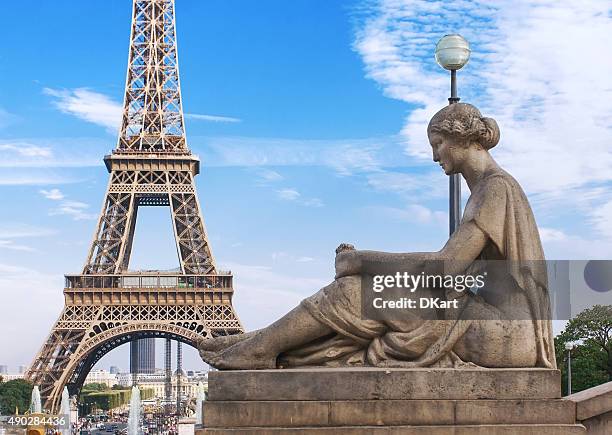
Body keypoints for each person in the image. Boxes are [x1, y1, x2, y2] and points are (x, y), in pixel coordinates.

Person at [197, 103, 556, 370]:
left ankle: (262, 348)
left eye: (438, 143)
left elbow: (446, 267)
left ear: (460, 138)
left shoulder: (495, 189)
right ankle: (264, 344)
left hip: (506, 336)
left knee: (358, 291)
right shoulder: (490, 189)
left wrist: (361, 260)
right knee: (369, 296)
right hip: (492, 324)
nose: (435, 156)